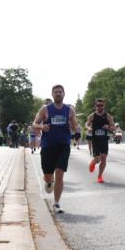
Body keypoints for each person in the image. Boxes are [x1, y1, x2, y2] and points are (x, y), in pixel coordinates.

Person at [33, 84, 79, 213]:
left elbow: (75, 126)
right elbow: (34, 123)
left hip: (63, 145)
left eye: (60, 92)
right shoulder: (45, 109)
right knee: (48, 176)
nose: (58, 94)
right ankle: (48, 181)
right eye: (56, 92)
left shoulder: (69, 110)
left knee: (60, 173)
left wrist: (75, 128)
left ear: (64, 94)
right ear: (52, 94)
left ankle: (57, 203)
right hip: (48, 146)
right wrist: (42, 127)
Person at [86, 98, 116, 184]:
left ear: (104, 106)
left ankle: (100, 176)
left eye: (101, 105)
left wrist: (108, 127)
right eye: (98, 105)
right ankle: (93, 161)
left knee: (103, 158)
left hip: (104, 140)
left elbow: (113, 127)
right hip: (95, 140)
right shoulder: (92, 115)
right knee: (98, 159)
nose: (100, 107)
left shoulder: (107, 116)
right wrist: (89, 128)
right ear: (95, 106)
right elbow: (87, 124)